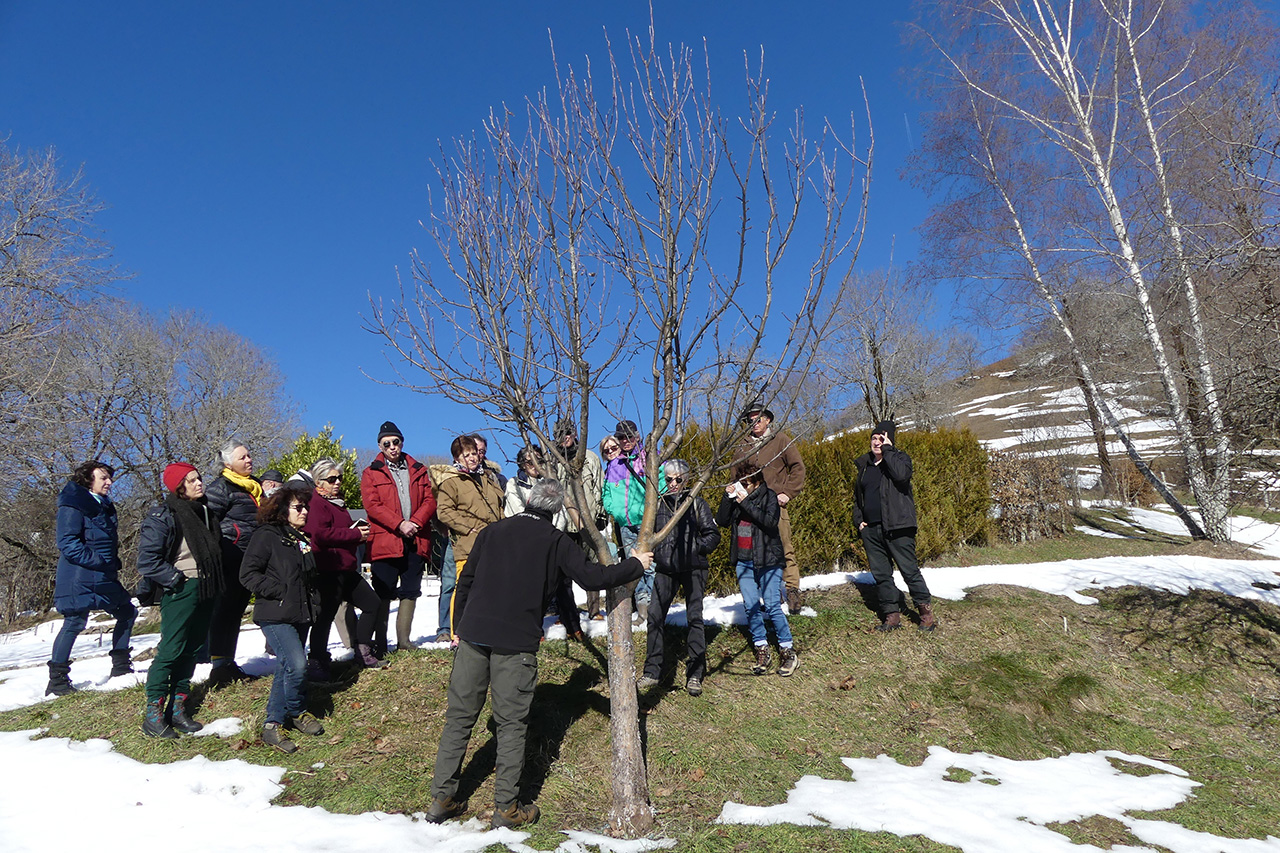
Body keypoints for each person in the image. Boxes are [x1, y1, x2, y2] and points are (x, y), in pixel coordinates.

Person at [425, 479, 652, 829]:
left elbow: (465, 582)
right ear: (557, 509)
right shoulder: (555, 541)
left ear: (528, 501)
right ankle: (507, 809)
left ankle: (441, 799)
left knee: (459, 718)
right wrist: (636, 564)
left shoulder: (492, 532)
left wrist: (459, 630)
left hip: (472, 638)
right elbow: (593, 577)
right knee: (512, 726)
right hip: (514, 645)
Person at [136, 463, 225, 737]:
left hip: (207, 587)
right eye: (191, 480)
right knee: (171, 649)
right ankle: (153, 713)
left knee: (192, 649)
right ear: (178, 486)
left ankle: (177, 710)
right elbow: (147, 560)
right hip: (181, 588)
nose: (199, 483)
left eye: (199, 478)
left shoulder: (205, 513)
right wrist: (176, 580)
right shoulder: (164, 515)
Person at [239, 485, 325, 753]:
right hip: (275, 614)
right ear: (282, 509)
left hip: (301, 613)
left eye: (306, 507)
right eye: (298, 507)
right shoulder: (267, 536)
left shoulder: (301, 537)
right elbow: (248, 574)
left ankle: (275, 724)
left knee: (286, 666)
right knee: (298, 664)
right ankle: (295, 710)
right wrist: (280, 592)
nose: (305, 511)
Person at [46, 460, 138, 697]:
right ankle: (57, 681)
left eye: (110, 478)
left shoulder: (103, 505)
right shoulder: (73, 504)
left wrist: (111, 562)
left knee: (127, 612)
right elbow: (67, 542)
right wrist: (99, 561)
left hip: (102, 576)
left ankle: (121, 668)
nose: (109, 482)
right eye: (103, 478)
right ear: (88, 479)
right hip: (79, 576)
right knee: (75, 622)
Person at [638, 459, 720, 696]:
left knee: (695, 617)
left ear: (687, 480)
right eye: (669, 479)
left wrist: (696, 548)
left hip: (693, 568)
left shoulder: (696, 503)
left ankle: (695, 673)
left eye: (678, 479)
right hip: (665, 569)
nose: (673, 483)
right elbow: (647, 535)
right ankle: (652, 672)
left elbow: (713, 535)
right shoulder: (658, 505)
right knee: (654, 616)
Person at [360, 421, 436, 654]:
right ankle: (381, 644)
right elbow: (372, 505)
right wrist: (399, 524)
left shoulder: (418, 469)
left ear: (402, 442)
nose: (392, 447)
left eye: (396, 442)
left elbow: (429, 500)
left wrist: (414, 522)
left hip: (415, 538)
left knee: (411, 590)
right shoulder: (371, 472)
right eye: (387, 444)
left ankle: (404, 641)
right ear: (380, 447)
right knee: (383, 592)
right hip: (385, 540)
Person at [853, 421, 937, 632]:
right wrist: (859, 520)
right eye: (874, 438)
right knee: (881, 574)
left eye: (882, 439)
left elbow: (901, 475)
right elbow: (857, 498)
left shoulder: (900, 459)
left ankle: (925, 613)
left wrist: (888, 450)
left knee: (909, 570)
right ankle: (892, 616)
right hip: (872, 530)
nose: (877, 442)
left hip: (898, 526)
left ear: (889, 440)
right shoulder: (864, 466)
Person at [716, 461, 798, 677]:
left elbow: (770, 522)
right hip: (743, 561)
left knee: (771, 605)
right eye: (740, 483)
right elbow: (722, 521)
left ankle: (787, 649)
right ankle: (762, 648)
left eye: (747, 483)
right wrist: (728, 497)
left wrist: (745, 503)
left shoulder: (769, 496)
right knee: (751, 606)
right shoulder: (737, 499)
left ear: (758, 481)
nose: (743, 487)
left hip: (768, 559)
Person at [305, 458, 387, 672]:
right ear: (319, 482)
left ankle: (362, 651)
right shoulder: (317, 504)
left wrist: (358, 535)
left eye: (339, 478)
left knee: (372, 604)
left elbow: (338, 531)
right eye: (332, 479)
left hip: (347, 568)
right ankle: (317, 659)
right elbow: (320, 534)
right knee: (325, 616)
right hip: (329, 570)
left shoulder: (337, 503)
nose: (337, 482)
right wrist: (353, 534)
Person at [504, 444, 583, 640]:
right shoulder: (514, 484)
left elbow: (561, 511)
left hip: (551, 538)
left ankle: (573, 625)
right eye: (529, 461)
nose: (533, 465)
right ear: (522, 463)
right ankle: (533, 628)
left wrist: (552, 534)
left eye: (538, 461)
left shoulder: (550, 483)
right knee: (531, 587)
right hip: (525, 542)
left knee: (563, 583)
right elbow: (516, 511)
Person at [735, 402, 806, 614]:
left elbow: (798, 468)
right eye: (751, 419)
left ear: (768, 420)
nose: (754, 422)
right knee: (753, 552)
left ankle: (792, 590)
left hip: (774, 505)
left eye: (759, 418)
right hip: (749, 508)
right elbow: (734, 474)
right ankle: (765, 595)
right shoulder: (742, 445)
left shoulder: (781, 440)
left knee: (784, 547)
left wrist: (788, 493)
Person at [203, 439, 263, 687]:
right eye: (242, 457)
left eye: (249, 456)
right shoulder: (221, 488)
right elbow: (208, 522)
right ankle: (219, 666)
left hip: (252, 557)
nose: (248, 460)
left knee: (237, 610)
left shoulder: (255, 486)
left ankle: (229, 662)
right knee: (224, 610)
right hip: (231, 556)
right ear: (228, 463)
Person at [434, 434, 504, 638]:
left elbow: (498, 508)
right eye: (466, 455)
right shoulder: (451, 481)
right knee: (464, 588)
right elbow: (444, 511)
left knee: (491, 587)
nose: (472, 458)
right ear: (457, 458)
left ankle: (488, 630)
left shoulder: (488, 478)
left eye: (474, 453)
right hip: (467, 544)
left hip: (492, 543)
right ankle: (458, 633)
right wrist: (467, 528)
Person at [603, 420, 664, 622]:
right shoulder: (614, 465)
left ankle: (653, 605)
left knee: (651, 565)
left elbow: (661, 482)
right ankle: (641, 605)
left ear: (637, 436)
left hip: (645, 520)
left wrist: (650, 508)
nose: (625, 440)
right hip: (625, 523)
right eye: (621, 437)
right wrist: (613, 510)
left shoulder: (648, 458)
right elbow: (607, 492)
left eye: (629, 436)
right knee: (633, 564)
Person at [552, 419, 606, 621]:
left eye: (568, 432)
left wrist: (601, 515)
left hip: (588, 522)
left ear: (575, 433)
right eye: (560, 433)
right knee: (562, 571)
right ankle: (566, 612)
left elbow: (599, 487)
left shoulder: (590, 458)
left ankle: (594, 610)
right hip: (563, 524)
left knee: (592, 566)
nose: (564, 437)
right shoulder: (553, 462)